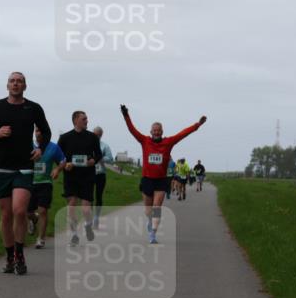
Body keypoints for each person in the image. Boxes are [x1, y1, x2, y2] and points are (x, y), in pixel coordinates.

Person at [0, 72, 51, 275]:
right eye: (12, 81)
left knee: (19, 210)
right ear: (7, 85)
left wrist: (40, 148)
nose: (16, 84)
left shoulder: (33, 108)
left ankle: (19, 254)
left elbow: (46, 131)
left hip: (24, 167)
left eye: (19, 81)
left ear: (25, 86)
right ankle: (9, 257)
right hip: (1, 167)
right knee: (6, 214)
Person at [121, 105, 206, 243]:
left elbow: (183, 133)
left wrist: (198, 124)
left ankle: (153, 234)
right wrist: (126, 115)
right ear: (151, 131)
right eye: (154, 130)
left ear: (162, 131)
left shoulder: (168, 142)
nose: (156, 132)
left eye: (158, 130)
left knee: (157, 208)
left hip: (161, 180)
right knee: (148, 211)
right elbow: (132, 129)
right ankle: (150, 223)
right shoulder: (144, 141)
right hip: (147, 179)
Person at [57, 111, 103, 246]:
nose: (87, 121)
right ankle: (74, 235)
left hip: (87, 177)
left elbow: (98, 154)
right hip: (71, 177)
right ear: (75, 120)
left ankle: (88, 225)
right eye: (84, 119)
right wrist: (65, 166)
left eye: (87, 119)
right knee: (71, 207)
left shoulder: (92, 137)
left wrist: (93, 161)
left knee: (86, 210)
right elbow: (58, 157)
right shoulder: (65, 138)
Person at [27, 126, 65, 249]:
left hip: (45, 183)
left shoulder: (53, 147)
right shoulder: (28, 145)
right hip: (29, 183)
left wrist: (57, 169)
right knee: (28, 212)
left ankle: (41, 239)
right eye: (37, 131)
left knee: (43, 210)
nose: (38, 133)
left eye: (41, 131)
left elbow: (63, 160)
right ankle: (33, 218)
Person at [92, 126, 114, 230]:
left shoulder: (105, 146)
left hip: (100, 173)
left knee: (98, 197)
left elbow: (110, 159)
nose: (95, 136)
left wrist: (100, 158)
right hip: (89, 173)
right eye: (94, 134)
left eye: (98, 135)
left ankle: (96, 217)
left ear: (101, 135)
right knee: (88, 196)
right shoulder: (88, 144)